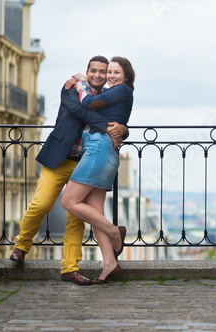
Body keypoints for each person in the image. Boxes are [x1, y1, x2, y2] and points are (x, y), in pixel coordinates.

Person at [10, 55, 128, 286]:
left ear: (106, 76)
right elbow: (80, 111)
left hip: (84, 162)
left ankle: (70, 268)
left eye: (102, 72)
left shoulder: (107, 97)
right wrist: (107, 126)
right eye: (93, 70)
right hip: (59, 158)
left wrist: (123, 129)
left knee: (76, 217)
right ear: (87, 71)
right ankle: (21, 246)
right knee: (42, 203)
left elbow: (119, 118)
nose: (98, 75)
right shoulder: (72, 88)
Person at [61, 56, 135, 284]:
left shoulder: (121, 90)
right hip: (105, 151)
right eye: (109, 72)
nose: (111, 76)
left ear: (125, 76)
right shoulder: (117, 93)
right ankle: (110, 264)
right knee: (95, 213)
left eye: (116, 72)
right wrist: (123, 129)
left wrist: (82, 80)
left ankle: (114, 232)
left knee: (69, 201)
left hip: (99, 149)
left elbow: (87, 104)